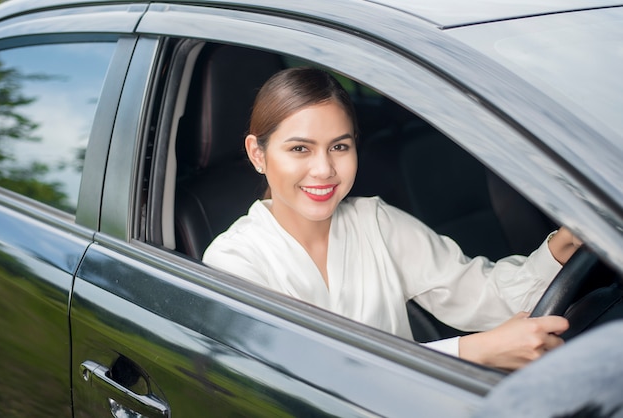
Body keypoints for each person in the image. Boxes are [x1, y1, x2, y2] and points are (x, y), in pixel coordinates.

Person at [203, 67, 583, 370]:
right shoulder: (234, 262)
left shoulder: (376, 222)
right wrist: (473, 351)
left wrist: (560, 249)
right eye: (300, 148)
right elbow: (308, 377)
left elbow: (487, 296)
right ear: (257, 154)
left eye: (339, 146)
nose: (324, 169)